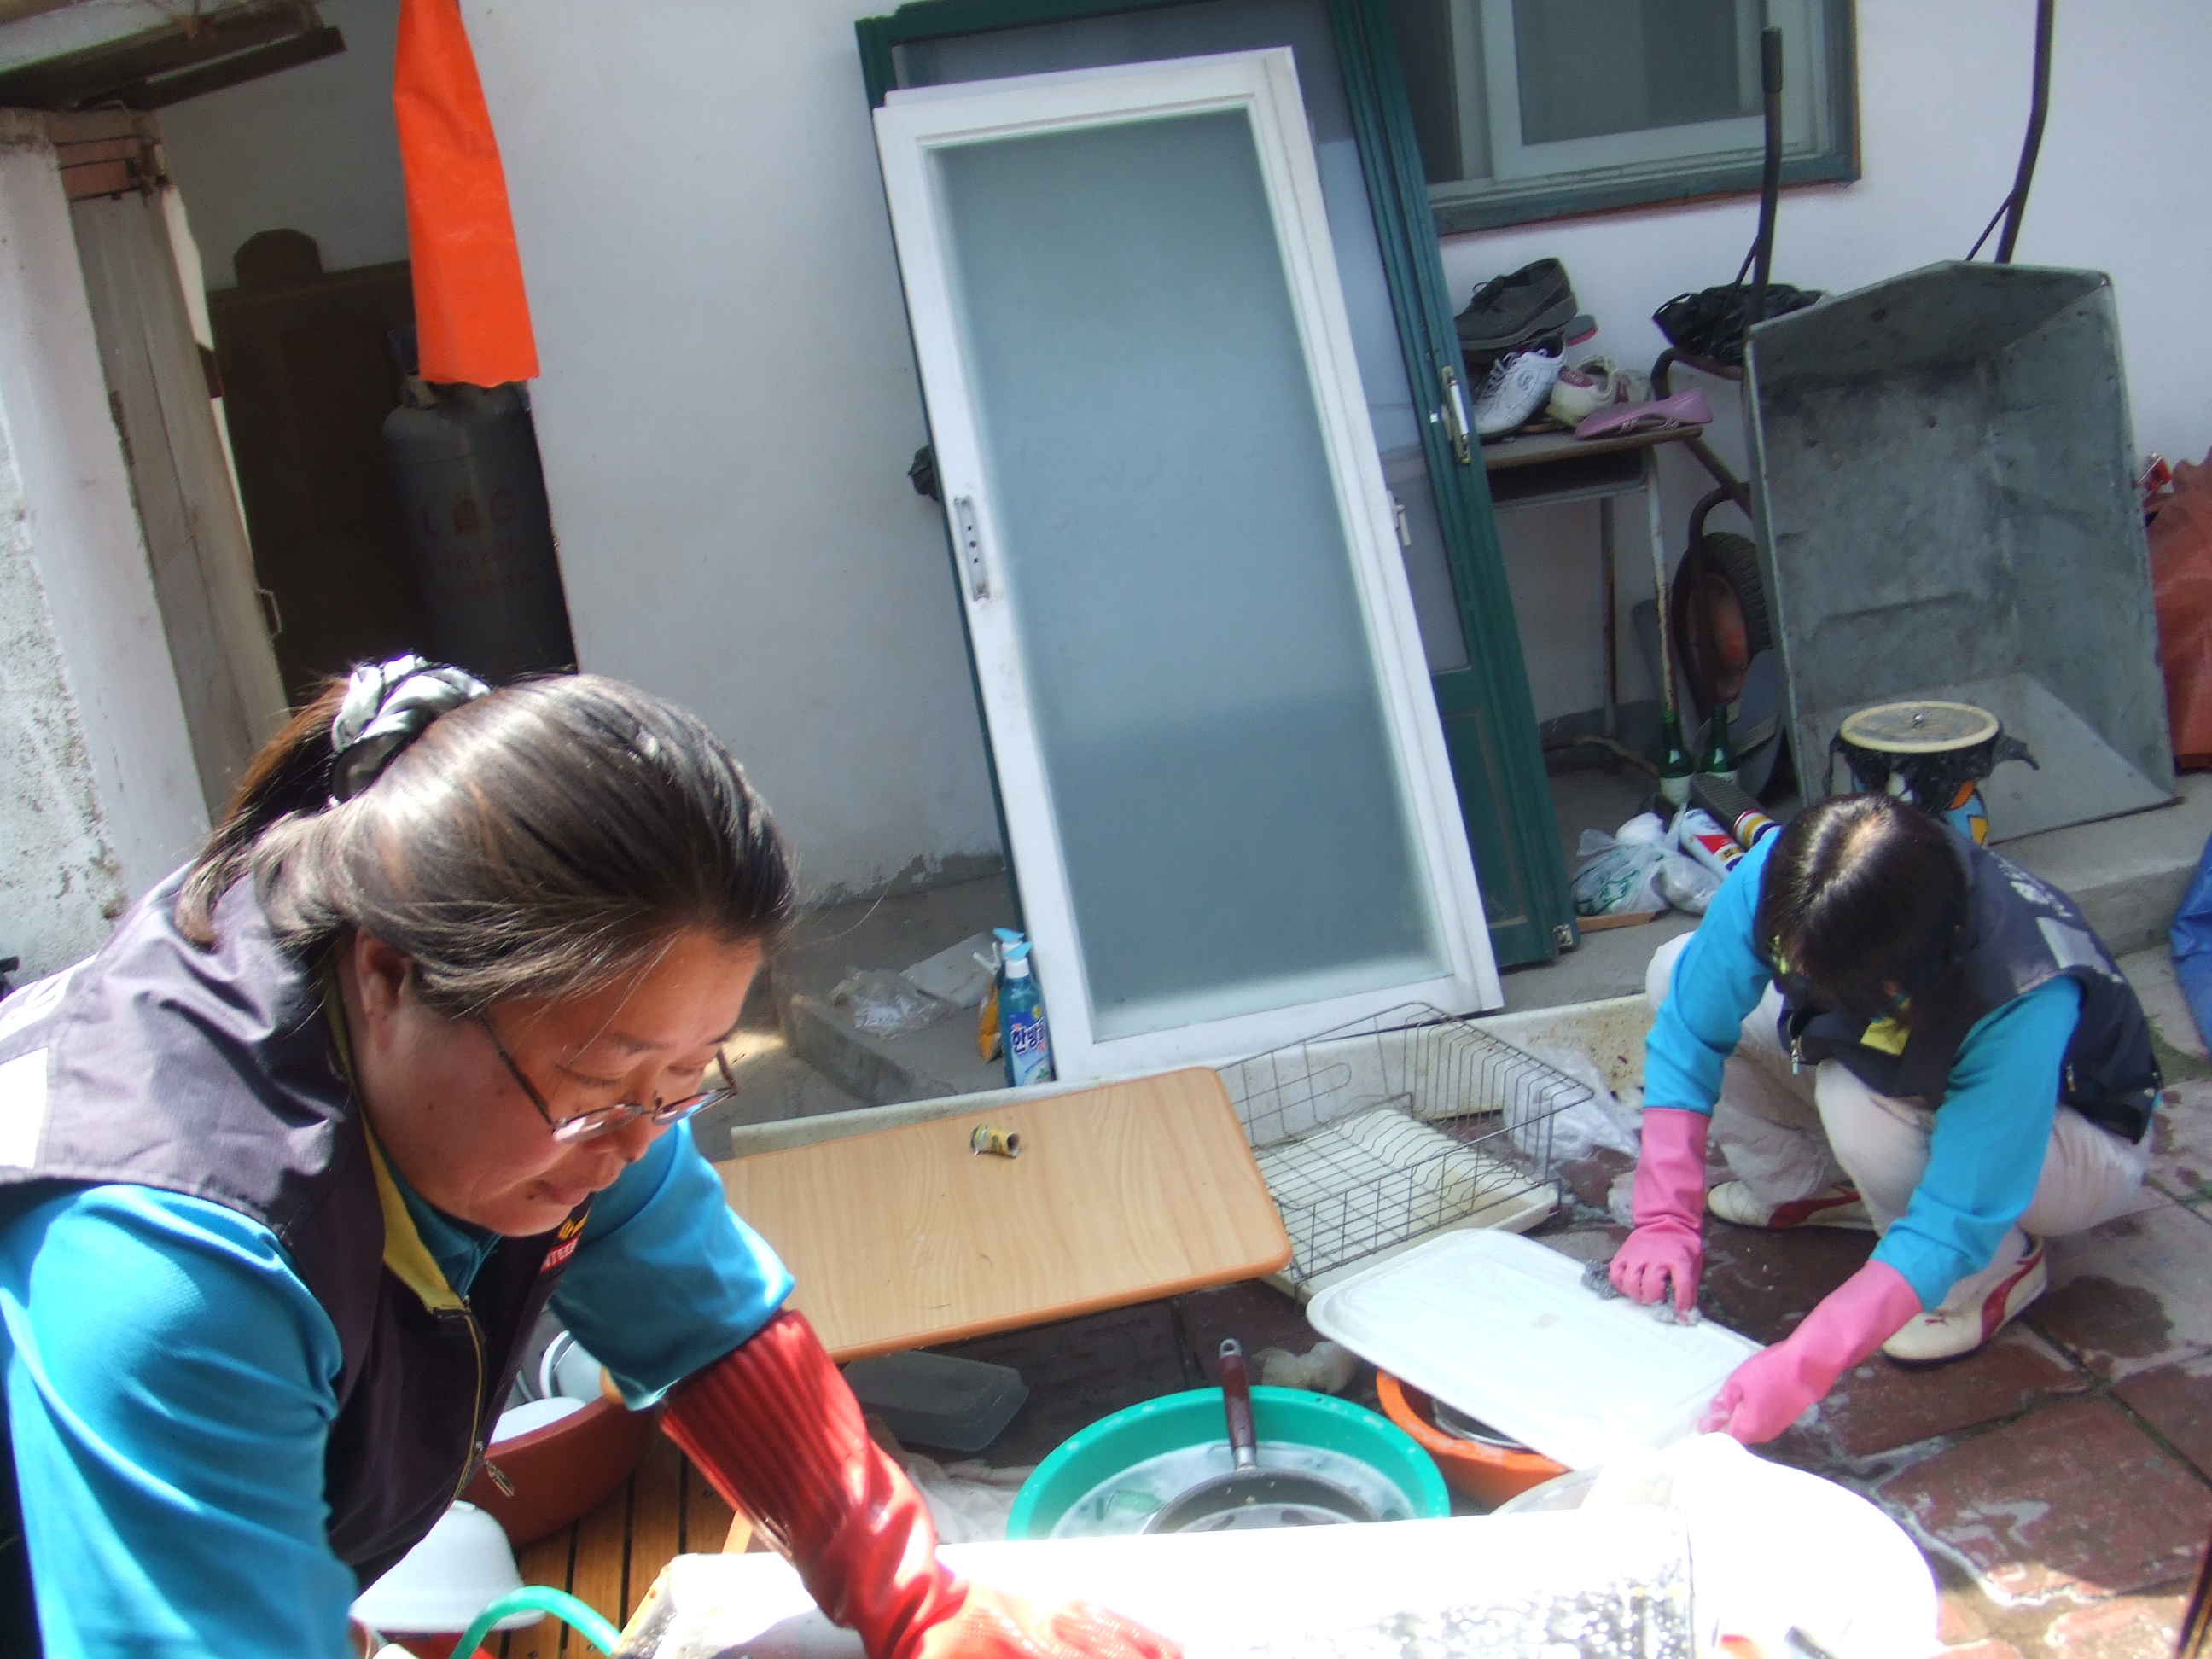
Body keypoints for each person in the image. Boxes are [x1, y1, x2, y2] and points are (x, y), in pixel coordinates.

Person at [0, 658, 1176, 1659]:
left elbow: (707, 1323)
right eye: (599, 1091)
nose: (631, 1144)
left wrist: (921, 1604)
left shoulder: (558, 1079)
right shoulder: (173, 1267)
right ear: (389, 975)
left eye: (685, 1080)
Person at [1610, 792, 2161, 1444]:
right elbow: (1691, 1031)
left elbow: (1951, 1222)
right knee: (1676, 972)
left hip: (2077, 1143)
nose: (1797, 979)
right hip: (1910, 1057)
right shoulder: (1798, 877)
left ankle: (1992, 1271)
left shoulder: (2020, 992)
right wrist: (1665, 1217)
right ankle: (1818, 1185)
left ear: (1906, 972)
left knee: (1859, 1104)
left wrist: (1804, 1361)